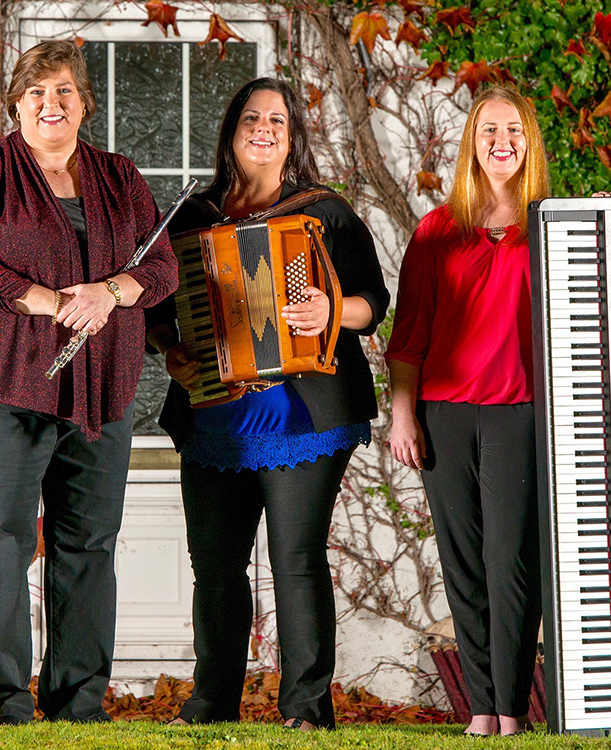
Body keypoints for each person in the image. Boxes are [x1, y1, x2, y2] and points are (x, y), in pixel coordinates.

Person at [0, 40, 178, 724]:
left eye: (65, 90)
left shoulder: (119, 175)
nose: (51, 103)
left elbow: (162, 269)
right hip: (2, 381)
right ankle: (4, 703)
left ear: (84, 103)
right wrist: (49, 301)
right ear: (16, 103)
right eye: (37, 92)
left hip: (101, 385)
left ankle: (78, 702)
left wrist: (112, 291)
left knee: (89, 543)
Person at [146, 77, 390, 731]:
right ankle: (211, 702)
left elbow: (373, 303)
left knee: (297, 560)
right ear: (231, 132)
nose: (263, 129)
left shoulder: (325, 212)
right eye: (251, 118)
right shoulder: (192, 217)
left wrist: (331, 310)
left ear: (292, 136)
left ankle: (307, 708)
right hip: (214, 415)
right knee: (215, 566)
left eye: (277, 121)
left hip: (303, 416)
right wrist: (169, 348)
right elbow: (156, 311)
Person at [384, 85, 554, 737]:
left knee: (512, 563)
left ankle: (512, 708)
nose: (501, 142)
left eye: (513, 130)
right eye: (488, 130)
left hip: (520, 413)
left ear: (529, 141)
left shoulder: (552, 227)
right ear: (471, 142)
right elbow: (409, 336)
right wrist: (403, 415)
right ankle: (481, 710)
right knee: (462, 563)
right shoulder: (437, 229)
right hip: (445, 416)